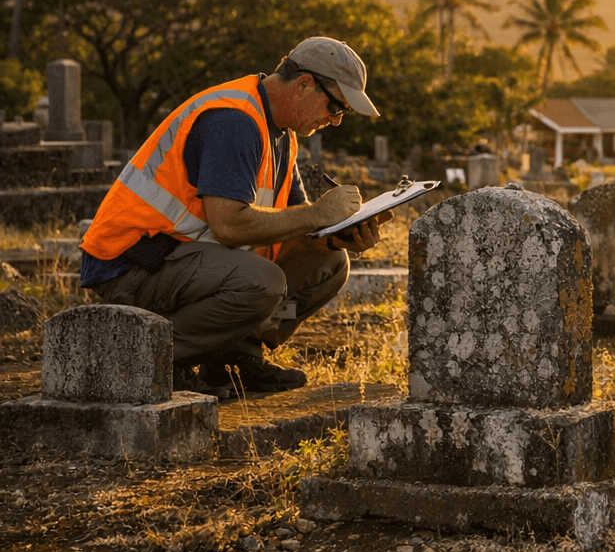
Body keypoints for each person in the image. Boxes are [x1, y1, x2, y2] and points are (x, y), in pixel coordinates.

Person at [79, 37, 393, 397]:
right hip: (135, 267)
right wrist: (318, 213)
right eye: (336, 106)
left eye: (343, 113)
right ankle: (152, 356)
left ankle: (234, 358)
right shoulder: (235, 120)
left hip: (182, 260)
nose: (335, 121)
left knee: (329, 263)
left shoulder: (282, 135)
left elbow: (298, 225)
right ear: (305, 84)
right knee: (264, 282)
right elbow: (228, 225)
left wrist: (343, 234)